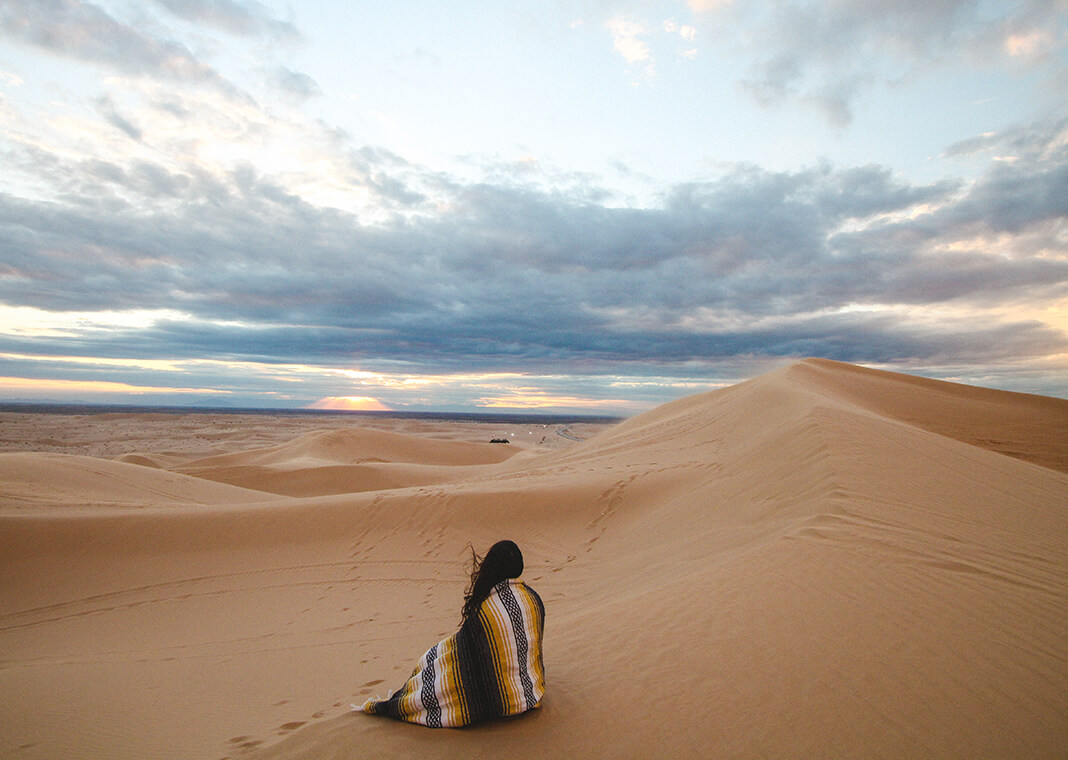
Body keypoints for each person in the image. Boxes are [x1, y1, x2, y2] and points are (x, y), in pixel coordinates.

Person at [355, 540, 546, 727]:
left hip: (504, 707)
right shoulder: (533, 600)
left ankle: (403, 701)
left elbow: (467, 662)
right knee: (442, 652)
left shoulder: (486, 610)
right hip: (530, 695)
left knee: (433, 664)